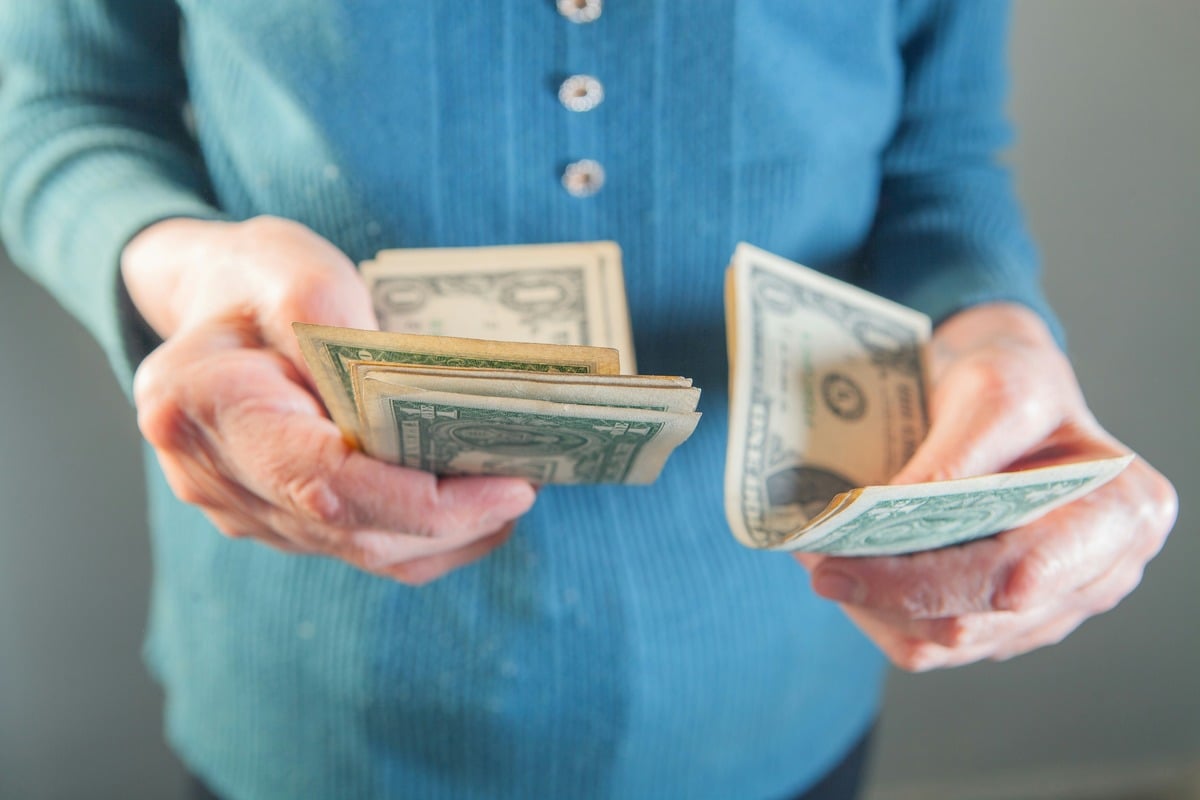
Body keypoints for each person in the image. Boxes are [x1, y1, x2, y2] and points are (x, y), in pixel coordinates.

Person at [0, 2, 1177, 798]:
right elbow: (55, 105)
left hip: (773, 686)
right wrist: (186, 270)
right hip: (320, 697)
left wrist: (999, 330)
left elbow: (937, 161)